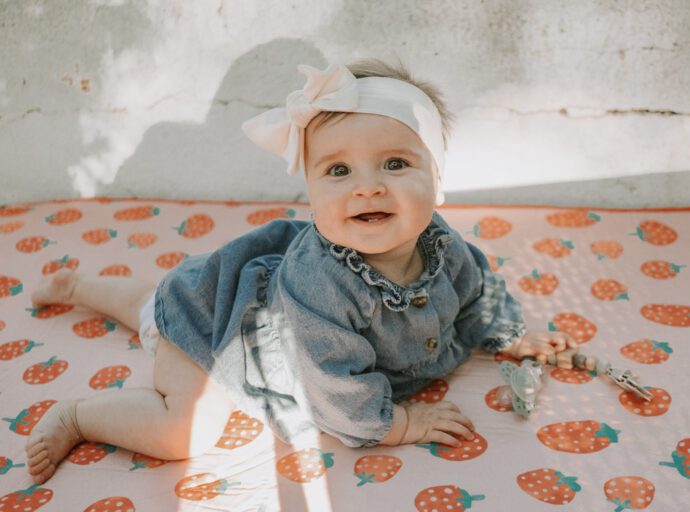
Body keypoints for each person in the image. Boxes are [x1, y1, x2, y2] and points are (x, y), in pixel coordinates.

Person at [25, 59, 577, 484]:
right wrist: (399, 424)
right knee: (184, 430)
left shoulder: (443, 244)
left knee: (155, 312)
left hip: (218, 296)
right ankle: (79, 415)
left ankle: (78, 286)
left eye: (395, 163)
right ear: (310, 190)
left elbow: (477, 290)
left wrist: (509, 335)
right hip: (214, 334)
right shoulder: (321, 286)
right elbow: (331, 384)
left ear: (437, 177)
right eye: (338, 170)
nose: (368, 186)